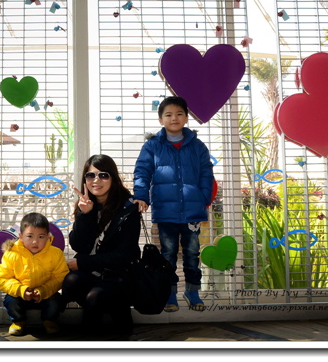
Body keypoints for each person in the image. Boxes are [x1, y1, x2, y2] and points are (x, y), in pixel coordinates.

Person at [133, 95, 214, 312]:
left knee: (192, 253)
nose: (174, 118)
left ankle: (192, 291)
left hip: (192, 212)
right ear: (161, 120)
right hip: (165, 212)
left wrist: (204, 197)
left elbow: (207, 173)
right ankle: (170, 294)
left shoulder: (197, 146)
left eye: (179, 114)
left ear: (186, 118)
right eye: (168, 114)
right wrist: (141, 195)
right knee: (167, 254)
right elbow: (142, 171)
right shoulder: (152, 147)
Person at [62, 154, 141, 331]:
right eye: (91, 175)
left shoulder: (129, 208)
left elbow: (124, 254)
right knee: (70, 282)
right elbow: (78, 245)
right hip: (92, 271)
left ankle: (115, 319)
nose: (96, 180)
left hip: (119, 273)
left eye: (103, 175)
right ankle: (114, 312)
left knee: (94, 298)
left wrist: (83, 262)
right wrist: (85, 214)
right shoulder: (85, 203)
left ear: (113, 177)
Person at [0, 212, 70, 336]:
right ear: (21, 236)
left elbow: (60, 276)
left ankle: (49, 321)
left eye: (41, 237)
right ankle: (18, 321)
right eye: (30, 236)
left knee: (55, 300)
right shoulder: (12, 254)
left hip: (45, 294)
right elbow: (2, 278)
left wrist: (44, 290)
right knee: (10, 301)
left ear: (48, 236)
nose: (35, 242)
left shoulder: (55, 253)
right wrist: (21, 290)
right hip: (20, 294)